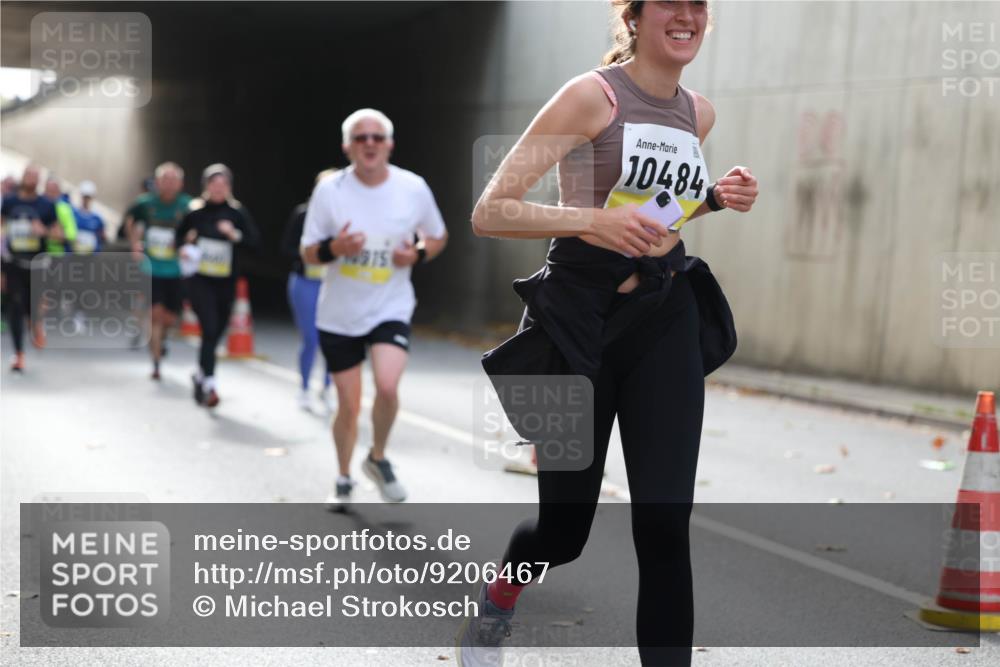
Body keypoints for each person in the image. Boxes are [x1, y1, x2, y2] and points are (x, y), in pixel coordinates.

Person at [462, 2, 758, 666]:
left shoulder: (698, 112)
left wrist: (711, 198)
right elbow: (491, 211)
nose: (686, 16)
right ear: (636, 15)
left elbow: (659, 213)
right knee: (564, 532)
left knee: (663, 523)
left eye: (698, 5)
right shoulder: (588, 97)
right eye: (669, 4)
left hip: (664, 316)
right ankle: (506, 589)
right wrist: (590, 223)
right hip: (578, 323)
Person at [301, 108, 448, 507]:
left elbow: (437, 236)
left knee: (386, 384)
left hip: (390, 306)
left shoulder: (412, 188)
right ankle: (343, 477)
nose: (369, 144)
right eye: (361, 138)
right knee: (348, 404)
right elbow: (309, 253)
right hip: (340, 313)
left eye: (377, 137)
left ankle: (378, 457)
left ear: (390, 145)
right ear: (347, 147)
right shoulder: (330, 191)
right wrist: (336, 248)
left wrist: (415, 254)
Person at [177, 163, 259, 408]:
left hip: (226, 282)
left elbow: (256, 244)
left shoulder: (237, 213)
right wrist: (185, 245)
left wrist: (235, 235)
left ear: (229, 187)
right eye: (213, 184)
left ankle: (201, 374)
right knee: (209, 329)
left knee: (216, 331)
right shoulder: (195, 212)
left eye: (222, 184)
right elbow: (177, 238)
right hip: (200, 280)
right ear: (206, 186)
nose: (218, 188)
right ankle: (210, 384)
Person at [125, 162, 192, 380]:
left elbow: (198, 226)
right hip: (151, 267)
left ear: (180, 183)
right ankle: (155, 363)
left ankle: (161, 340)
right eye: (165, 179)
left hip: (176, 269)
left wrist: (189, 243)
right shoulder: (146, 203)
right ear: (157, 182)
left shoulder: (188, 205)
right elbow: (130, 219)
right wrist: (135, 243)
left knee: (170, 318)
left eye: (173, 180)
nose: (169, 184)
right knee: (155, 314)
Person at [281, 169, 338, 411]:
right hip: (306, 282)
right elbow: (287, 247)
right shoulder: (303, 214)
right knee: (311, 338)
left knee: (333, 338)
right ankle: (304, 387)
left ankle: (326, 387)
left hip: (335, 284)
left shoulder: (347, 217)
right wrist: (314, 255)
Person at [1, 165, 58, 371]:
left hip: (38, 265)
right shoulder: (9, 202)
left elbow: (58, 233)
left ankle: (36, 323)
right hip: (14, 263)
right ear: (23, 178)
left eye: (36, 177)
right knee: (15, 306)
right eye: (29, 176)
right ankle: (19, 354)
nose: (32, 180)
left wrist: (43, 231)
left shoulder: (46, 205)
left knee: (33, 306)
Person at [71, 181, 106, 254]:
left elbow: (101, 237)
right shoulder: (73, 214)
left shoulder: (97, 218)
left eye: (88, 197)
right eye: (84, 197)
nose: (86, 200)